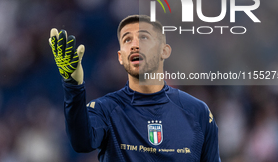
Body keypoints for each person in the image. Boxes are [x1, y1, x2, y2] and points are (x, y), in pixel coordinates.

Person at [49, 15, 221, 162]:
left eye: (144, 38)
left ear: (164, 51)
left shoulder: (198, 112)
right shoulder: (105, 109)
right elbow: (82, 142)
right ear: (120, 57)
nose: (135, 45)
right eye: (127, 40)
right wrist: (73, 86)